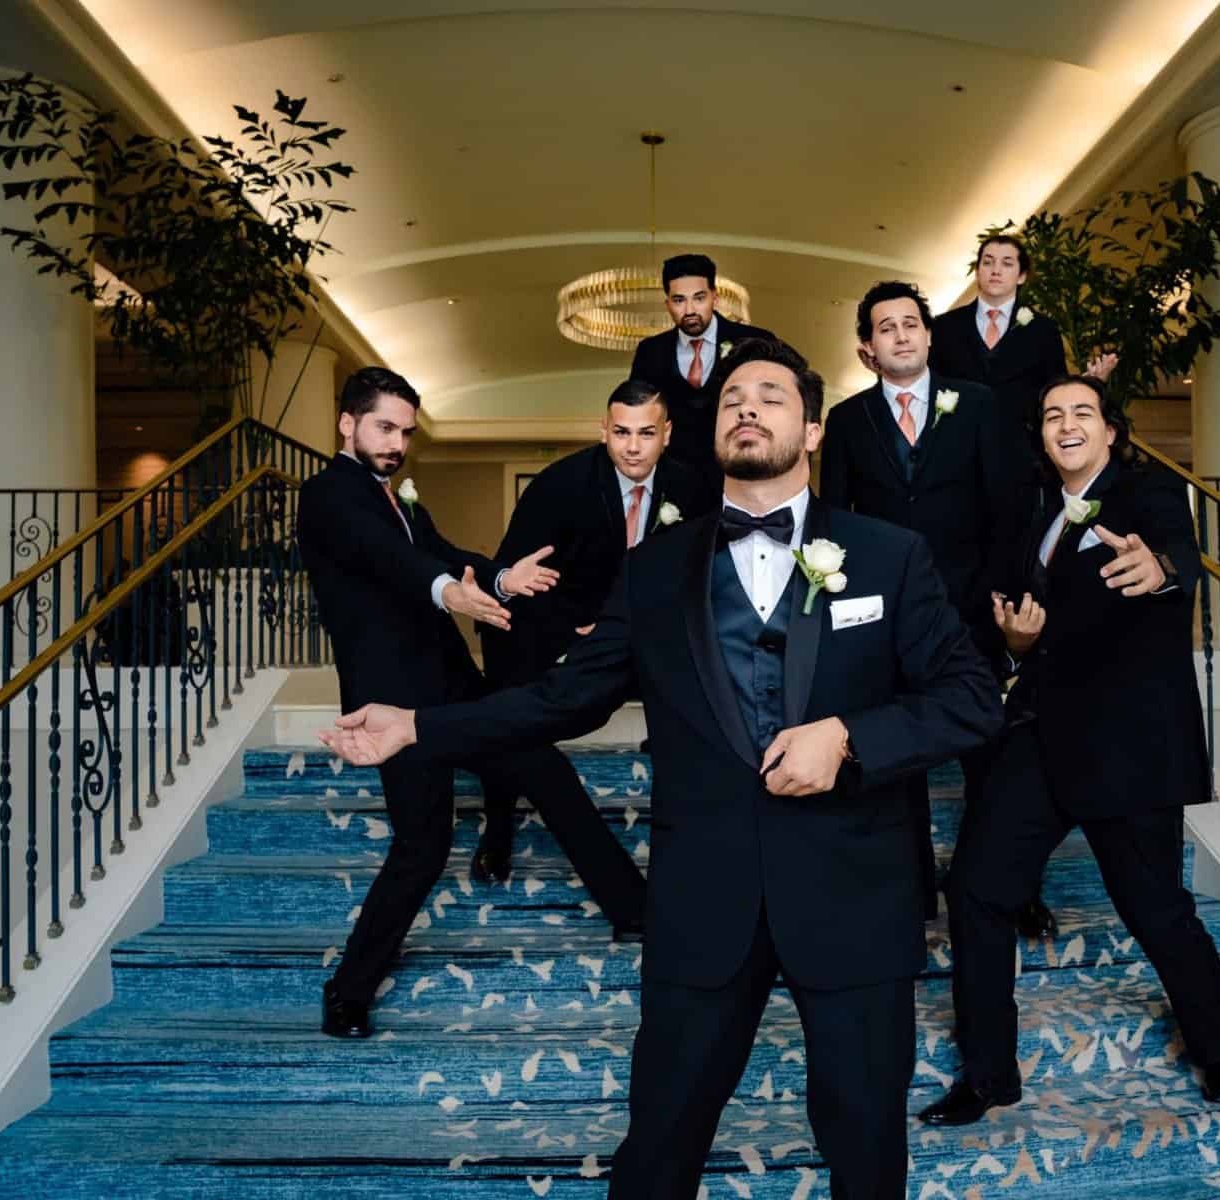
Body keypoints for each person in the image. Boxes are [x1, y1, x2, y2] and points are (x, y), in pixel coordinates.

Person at [320, 339, 1003, 1198]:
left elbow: (974, 698)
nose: (746, 407)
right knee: (659, 1147)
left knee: (865, 1149)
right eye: (730, 400)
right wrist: (418, 725)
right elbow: (563, 701)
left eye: (770, 396)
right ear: (708, 432)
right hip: (703, 902)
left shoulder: (887, 555)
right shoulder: (653, 573)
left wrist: (852, 737)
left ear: (815, 430)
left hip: (854, 896)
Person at [918, 371, 1220, 1127]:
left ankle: (1219, 1048)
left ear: (1109, 430)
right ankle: (988, 1075)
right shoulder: (1035, 510)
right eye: (1050, 415)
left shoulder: (1147, 495)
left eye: (1081, 412)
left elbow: (1174, 553)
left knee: (1155, 909)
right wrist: (1012, 642)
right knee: (974, 892)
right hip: (1037, 735)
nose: (1064, 423)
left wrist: (1161, 569)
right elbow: (1014, 613)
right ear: (1041, 435)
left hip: (1127, 743)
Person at [296, 367, 644, 1040]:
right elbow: (394, 562)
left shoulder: (398, 500)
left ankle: (634, 909)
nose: (397, 443)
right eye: (384, 428)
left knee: (545, 769)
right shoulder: (328, 495)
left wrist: (499, 577)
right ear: (347, 423)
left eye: (405, 431)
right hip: (389, 706)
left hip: (453, 684)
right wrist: (446, 592)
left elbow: (442, 554)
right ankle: (348, 990)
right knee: (422, 846)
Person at [819, 279, 1027, 923]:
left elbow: (1011, 507)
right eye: (886, 328)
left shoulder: (980, 404)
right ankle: (910, 892)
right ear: (867, 349)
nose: (901, 335)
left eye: (911, 323)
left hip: (970, 609)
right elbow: (834, 522)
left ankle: (998, 887)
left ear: (930, 336)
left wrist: (1003, 595)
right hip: (883, 619)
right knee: (893, 753)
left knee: (986, 757)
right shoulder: (848, 421)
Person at [472, 378, 710, 882]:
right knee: (511, 717)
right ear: (603, 430)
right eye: (621, 432)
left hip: (645, 631)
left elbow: (705, 572)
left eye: (646, 433)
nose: (633, 447)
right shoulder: (561, 484)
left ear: (667, 433)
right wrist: (568, 627)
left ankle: (687, 835)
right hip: (550, 625)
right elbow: (514, 574)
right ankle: (497, 827)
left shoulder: (693, 488)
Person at [628, 252, 775, 489]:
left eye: (699, 298)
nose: (689, 310)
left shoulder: (755, 341)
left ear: (714, 298)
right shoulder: (650, 352)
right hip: (675, 484)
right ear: (667, 304)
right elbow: (637, 413)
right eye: (678, 300)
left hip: (742, 477)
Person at [929, 233, 1068, 451]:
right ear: (977, 272)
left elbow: (1055, 392)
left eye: (1007, 263)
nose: (995, 270)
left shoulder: (1044, 330)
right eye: (988, 262)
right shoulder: (943, 327)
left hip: (1020, 453)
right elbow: (929, 386)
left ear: (1021, 276)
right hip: (954, 449)